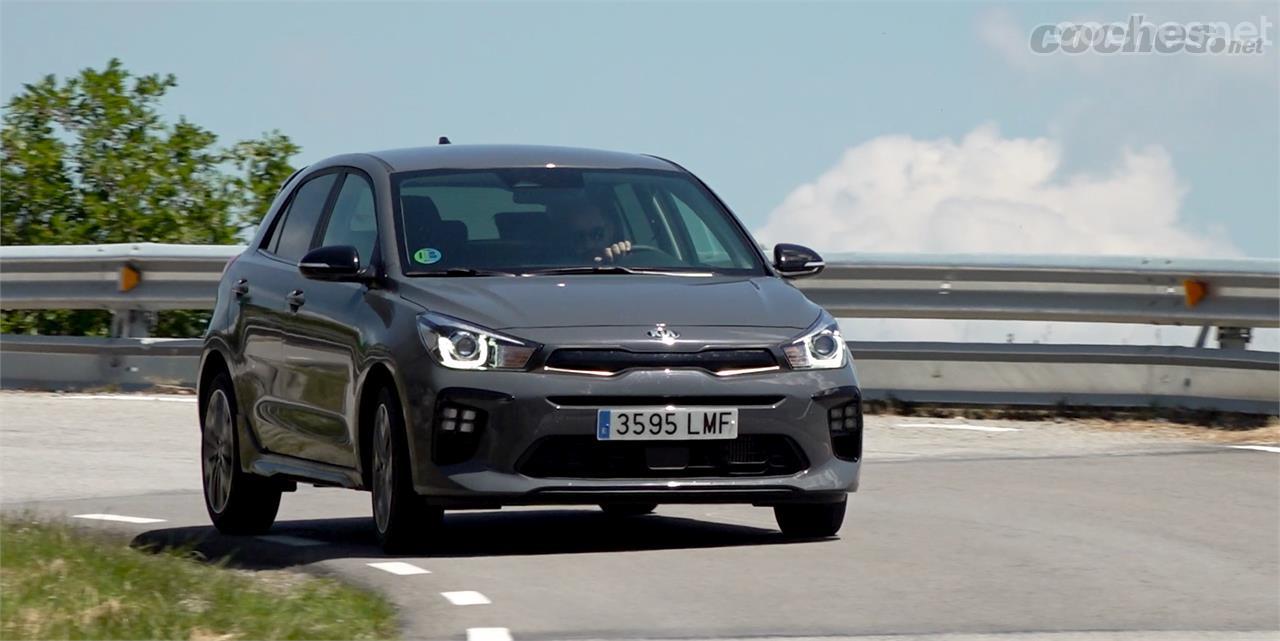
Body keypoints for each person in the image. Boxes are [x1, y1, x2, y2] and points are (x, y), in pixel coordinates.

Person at [558, 199, 632, 264]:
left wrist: (625, 259)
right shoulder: (559, 270)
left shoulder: (627, 267)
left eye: (597, 234)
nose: (588, 244)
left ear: (610, 230)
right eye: (579, 237)